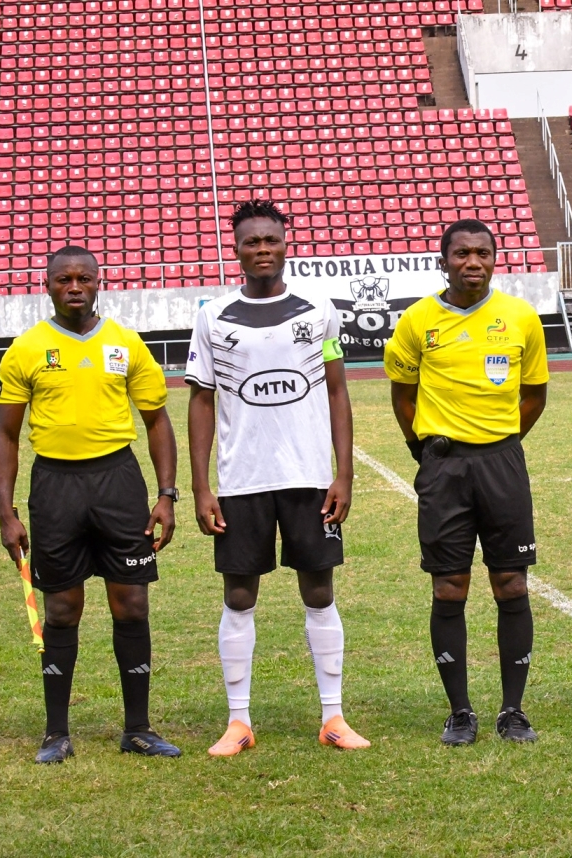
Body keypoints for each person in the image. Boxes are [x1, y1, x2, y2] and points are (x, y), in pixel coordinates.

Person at [187, 199, 369, 755]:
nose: (262, 249)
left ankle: (333, 717)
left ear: (286, 245)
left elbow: (337, 391)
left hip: (308, 476)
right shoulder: (213, 316)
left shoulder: (318, 310)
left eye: (271, 240)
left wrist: (343, 472)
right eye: (252, 242)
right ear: (237, 249)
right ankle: (238, 722)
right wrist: (200, 486)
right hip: (241, 480)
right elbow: (200, 401)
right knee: (240, 594)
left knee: (319, 589)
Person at [0, 245, 181, 763]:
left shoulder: (125, 342)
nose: (74, 287)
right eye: (63, 279)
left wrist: (166, 494)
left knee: (132, 603)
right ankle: (56, 733)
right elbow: (6, 435)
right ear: (47, 285)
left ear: (99, 283)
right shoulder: (27, 349)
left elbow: (157, 421)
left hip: (118, 480)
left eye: (83, 278)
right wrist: (6, 513)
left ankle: (138, 729)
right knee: (61, 608)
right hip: (55, 485)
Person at [386, 218, 549, 746]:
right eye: (461, 253)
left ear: (495, 259)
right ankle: (460, 712)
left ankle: (513, 710)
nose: (472, 262)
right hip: (444, 468)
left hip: (502, 463)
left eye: (482, 252)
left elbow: (534, 396)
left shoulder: (521, 317)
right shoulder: (417, 320)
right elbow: (403, 394)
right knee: (448, 586)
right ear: (444, 261)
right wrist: (425, 450)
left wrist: (500, 441)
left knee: (512, 583)